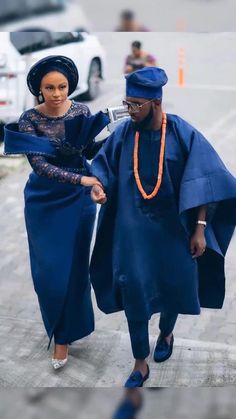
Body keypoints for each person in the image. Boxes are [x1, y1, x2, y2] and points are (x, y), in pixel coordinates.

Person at [89, 67, 236, 387]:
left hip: (174, 234)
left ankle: (167, 332)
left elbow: (206, 181)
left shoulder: (183, 134)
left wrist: (199, 228)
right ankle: (140, 362)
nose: (128, 110)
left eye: (134, 105)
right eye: (127, 103)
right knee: (134, 296)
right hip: (132, 236)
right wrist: (97, 185)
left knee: (173, 290)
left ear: (155, 103)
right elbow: (101, 166)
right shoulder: (123, 135)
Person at [4, 55, 109, 370]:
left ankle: (64, 336)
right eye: (49, 87)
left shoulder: (81, 111)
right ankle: (59, 326)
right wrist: (85, 178)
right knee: (49, 273)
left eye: (62, 86)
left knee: (75, 271)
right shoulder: (29, 119)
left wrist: (113, 145)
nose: (57, 93)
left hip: (79, 203)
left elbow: (89, 150)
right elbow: (40, 166)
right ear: (39, 89)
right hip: (44, 202)